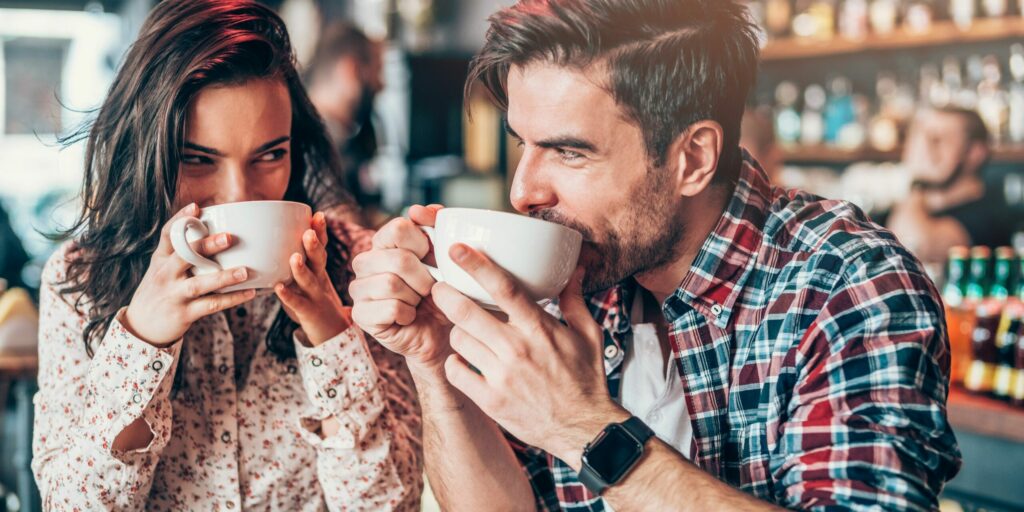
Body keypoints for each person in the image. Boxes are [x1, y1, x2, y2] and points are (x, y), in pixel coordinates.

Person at [349, 0, 961, 510]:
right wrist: (434, 360)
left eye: (569, 152)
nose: (523, 191)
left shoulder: (848, 283)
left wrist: (584, 427)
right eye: (523, 146)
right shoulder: (576, 275)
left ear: (691, 158)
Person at [32, 1, 421, 510]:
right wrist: (142, 341)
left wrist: (330, 335)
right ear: (146, 153)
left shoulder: (359, 267)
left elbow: (390, 505)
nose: (240, 196)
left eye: (270, 155)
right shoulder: (79, 279)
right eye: (197, 159)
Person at [887, 107, 1014, 265]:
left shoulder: (987, 216)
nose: (923, 149)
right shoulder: (917, 209)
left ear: (975, 153)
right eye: (920, 137)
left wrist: (918, 182)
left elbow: (915, 249)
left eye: (938, 139)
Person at [304, 21, 386, 228]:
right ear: (352, 70)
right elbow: (347, 228)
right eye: (378, 71)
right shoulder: (310, 141)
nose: (381, 85)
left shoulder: (346, 139)